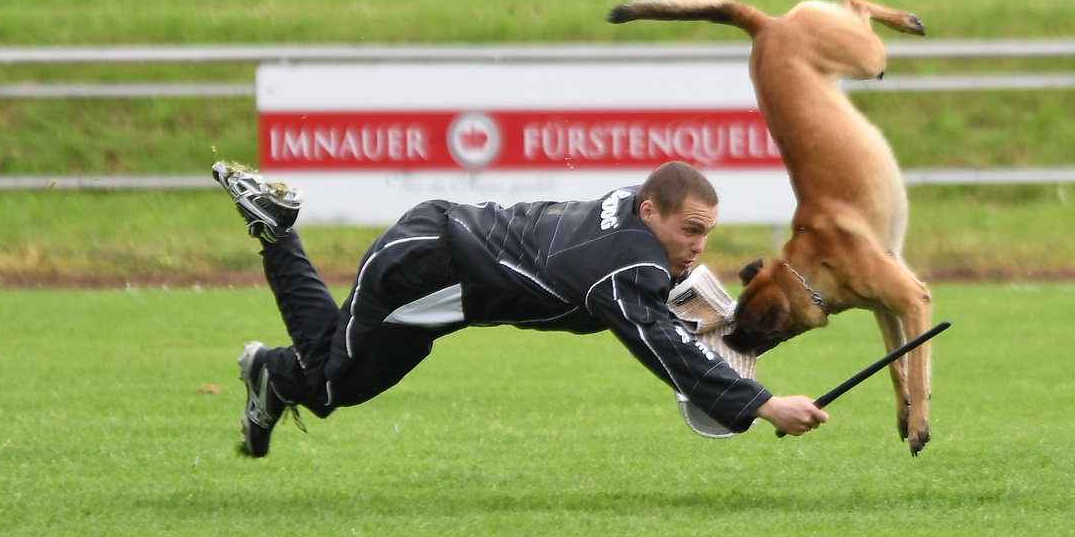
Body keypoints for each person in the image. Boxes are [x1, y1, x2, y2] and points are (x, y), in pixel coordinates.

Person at [212, 159, 829, 457]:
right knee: (328, 378)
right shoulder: (628, 263)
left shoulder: (632, 223)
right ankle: (276, 232)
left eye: (707, 234)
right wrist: (765, 404)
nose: (698, 247)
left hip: (441, 278)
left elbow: (665, 300)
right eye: (690, 230)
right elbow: (659, 341)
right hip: (423, 265)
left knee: (339, 388)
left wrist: (734, 328)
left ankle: (270, 377)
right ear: (650, 213)